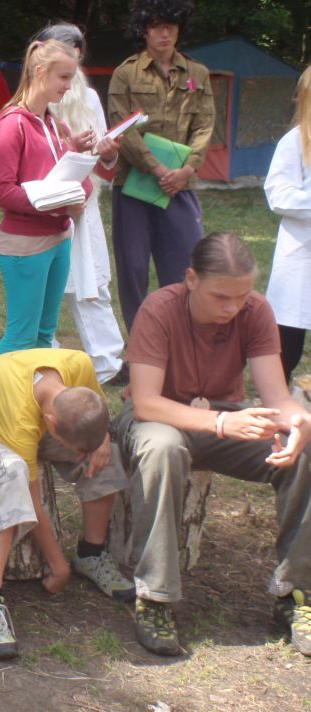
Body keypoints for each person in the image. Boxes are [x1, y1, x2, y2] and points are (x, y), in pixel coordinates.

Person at [112, 232, 311, 657]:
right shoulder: (160, 309)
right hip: (161, 416)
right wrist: (220, 422)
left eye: (241, 297)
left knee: (307, 453)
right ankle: (155, 597)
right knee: (162, 449)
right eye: (221, 297)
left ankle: (295, 593)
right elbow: (145, 402)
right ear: (191, 279)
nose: (232, 308)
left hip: (226, 415)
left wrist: (299, 420)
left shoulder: (256, 310)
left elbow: (276, 397)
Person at [0, 349, 134, 659]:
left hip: (34, 421)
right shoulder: (19, 419)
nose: (77, 455)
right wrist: (58, 566)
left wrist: (101, 442)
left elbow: (95, 407)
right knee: (11, 472)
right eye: (72, 448)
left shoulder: (79, 365)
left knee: (106, 453)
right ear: (52, 423)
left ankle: (91, 553)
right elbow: (30, 500)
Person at [0, 38, 119, 356]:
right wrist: (59, 204)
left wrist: (75, 154)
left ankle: (29, 388)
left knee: (44, 336)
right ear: (39, 71)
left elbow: (62, 176)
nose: (69, 86)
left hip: (59, 239)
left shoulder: (54, 123)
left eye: (71, 78)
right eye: (63, 77)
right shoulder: (12, 125)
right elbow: (1, 191)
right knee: (21, 337)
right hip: (26, 245)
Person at [108, 0, 214, 332]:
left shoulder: (198, 74)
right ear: (144, 29)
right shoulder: (125, 73)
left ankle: (181, 339)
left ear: (180, 28)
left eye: (170, 25)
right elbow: (121, 128)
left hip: (179, 187)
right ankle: (141, 343)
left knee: (185, 266)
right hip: (133, 186)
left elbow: (205, 126)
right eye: (156, 25)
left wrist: (186, 170)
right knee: (133, 269)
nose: (164, 33)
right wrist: (157, 168)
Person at [36, 23, 127, 385]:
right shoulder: (31, 100)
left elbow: (105, 166)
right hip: (44, 204)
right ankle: (44, 357)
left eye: (75, 57)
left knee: (94, 281)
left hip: (84, 203)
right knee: (45, 283)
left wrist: (107, 152)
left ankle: (108, 363)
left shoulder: (88, 97)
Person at [265, 64, 311, 384]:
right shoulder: (294, 142)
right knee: (288, 343)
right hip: (301, 255)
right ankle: (277, 395)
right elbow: (278, 194)